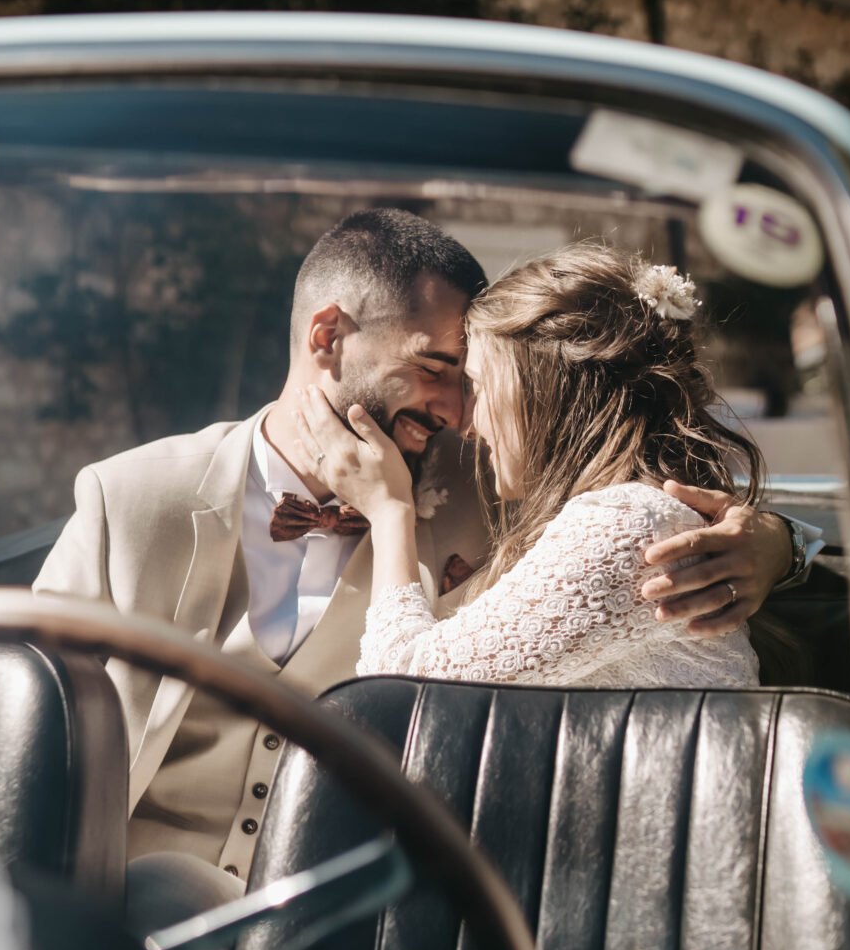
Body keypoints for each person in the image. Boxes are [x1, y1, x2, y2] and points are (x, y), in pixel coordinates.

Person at [34, 211, 795, 926]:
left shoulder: (503, 486)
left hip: (377, 917)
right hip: (139, 910)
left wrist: (774, 542)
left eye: (472, 381)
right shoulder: (134, 498)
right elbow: (32, 726)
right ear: (327, 335)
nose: (460, 411)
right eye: (436, 366)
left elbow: (645, 510)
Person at [299, 242, 760, 689]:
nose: (465, 423)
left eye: (476, 386)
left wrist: (389, 510)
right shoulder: (630, 513)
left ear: (545, 391)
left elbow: (403, 690)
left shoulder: (626, 527)